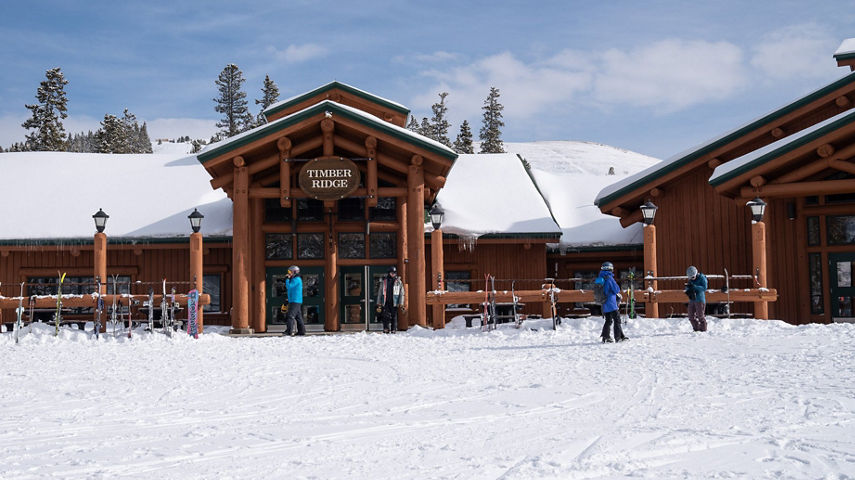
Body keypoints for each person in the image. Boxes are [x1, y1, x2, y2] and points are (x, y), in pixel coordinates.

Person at [595, 261, 627, 343]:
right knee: (617, 320)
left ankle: (606, 337)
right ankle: (618, 337)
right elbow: (616, 289)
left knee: (608, 320)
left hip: (604, 302)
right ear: (610, 269)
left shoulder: (601, 277)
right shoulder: (609, 278)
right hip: (611, 303)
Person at [376, 266, 405, 334]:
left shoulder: (398, 282)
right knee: (385, 315)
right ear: (389, 273)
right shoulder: (384, 281)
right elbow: (380, 292)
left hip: (394, 301)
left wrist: (401, 303)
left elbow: (402, 293)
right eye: (392, 273)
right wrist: (379, 302)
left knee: (394, 316)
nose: (393, 274)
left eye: (394, 273)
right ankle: (386, 328)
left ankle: (393, 329)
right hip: (386, 301)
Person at [685, 266, 708, 332]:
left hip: (700, 299)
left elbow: (704, 288)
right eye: (690, 278)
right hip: (692, 299)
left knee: (700, 315)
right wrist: (688, 289)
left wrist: (695, 287)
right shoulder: (690, 280)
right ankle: (696, 329)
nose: (692, 279)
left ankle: (703, 329)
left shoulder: (702, 278)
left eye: (693, 277)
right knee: (690, 315)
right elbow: (688, 287)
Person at [284, 265, 305, 336]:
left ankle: (289, 331)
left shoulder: (296, 279)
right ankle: (302, 331)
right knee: (298, 317)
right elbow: (291, 290)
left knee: (290, 316)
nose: (289, 273)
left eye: (290, 272)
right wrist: (288, 299)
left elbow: (289, 287)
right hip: (294, 300)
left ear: (295, 272)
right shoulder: (294, 279)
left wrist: (287, 279)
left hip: (295, 300)